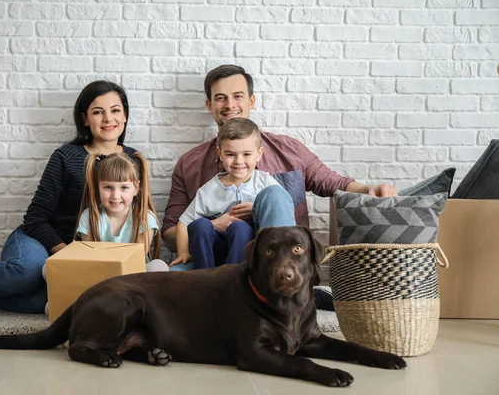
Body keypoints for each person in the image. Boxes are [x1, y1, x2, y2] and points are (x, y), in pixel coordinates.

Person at [163, 64, 397, 276]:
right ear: (210, 105)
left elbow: (331, 182)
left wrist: (368, 188)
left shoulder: (288, 150)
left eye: (238, 96)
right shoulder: (190, 163)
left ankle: (282, 285)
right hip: (211, 257)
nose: (230, 105)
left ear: (251, 101)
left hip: (276, 263)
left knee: (273, 196)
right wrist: (213, 224)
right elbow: (172, 233)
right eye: (221, 98)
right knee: (164, 279)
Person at [0, 80, 141, 314]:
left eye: (115, 110)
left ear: (125, 116)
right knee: (26, 273)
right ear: (84, 119)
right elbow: (35, 218)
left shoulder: (134, 161)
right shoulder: (66, 157)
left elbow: (135, 219)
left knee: (52, 302)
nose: (108, 119)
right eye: (97, 112)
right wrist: (68, 255)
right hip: (39, 239)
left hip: (89, 257)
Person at [171, 118, 282, 269]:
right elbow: (184, 222)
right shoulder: (209, 190)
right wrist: (183, 253)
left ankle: (234, 278)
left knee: (239, 227)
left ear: (259, 154)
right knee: (200, 225)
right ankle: (205, 276)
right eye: (230, 154)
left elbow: (281, 209)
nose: (238, 161)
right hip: (216, 247)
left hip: (246, 248)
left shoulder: (265, 183)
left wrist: (258, 208)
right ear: (220, 154)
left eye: (246, 154)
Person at [74, 152, 167, 270]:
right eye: (108, 187)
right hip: (99, 272)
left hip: (133, 275)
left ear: (136, 188)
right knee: (48, 268)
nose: (115, 196)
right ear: (98, 187)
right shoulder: (89, 216)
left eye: (124, 187)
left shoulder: (145, 218)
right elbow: (91, 259)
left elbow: (136, 260)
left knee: (159, 266)